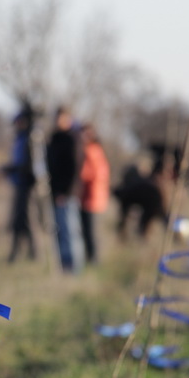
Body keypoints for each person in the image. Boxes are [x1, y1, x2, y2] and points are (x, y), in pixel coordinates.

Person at [46, 106, 84, 273]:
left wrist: (65, 192)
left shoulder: (73, 139)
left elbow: (75, 169)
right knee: (59, 231)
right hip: (54, 192)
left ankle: (74, 268)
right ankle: (63, 266)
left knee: (70, 230)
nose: (58, 121)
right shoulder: (54, 138)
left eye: (61, 118)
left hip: (67, 194)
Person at [2, 102, 38, 262]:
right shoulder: (19, 138)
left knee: (26, 219)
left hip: (27, 185)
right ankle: (18, 253)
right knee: (18, 220)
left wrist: (11, 169)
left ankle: (31, 253)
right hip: (18, 183)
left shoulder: (31, 139)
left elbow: (30, 165)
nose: (17, 124)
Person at [78, 123, 111, 264]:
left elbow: (93, 173)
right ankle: (90, 258)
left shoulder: (92, 150)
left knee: (89, 231)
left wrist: (77, 175)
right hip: (88, 196)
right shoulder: (93, 150)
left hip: (92, 196)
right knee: (86, 230)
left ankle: (93, 259)